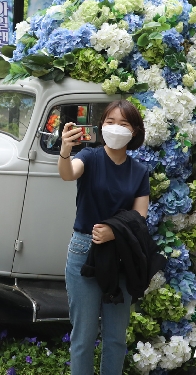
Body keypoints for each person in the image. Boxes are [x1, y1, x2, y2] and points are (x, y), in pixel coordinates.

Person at [58, 100, 150, 375]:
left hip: (121, 256)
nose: (115, 128)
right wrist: (65, 150)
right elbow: (68, 174)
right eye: (110, 121)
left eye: (123, 123)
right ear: (101, 126)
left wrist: (114, 231)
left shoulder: (139, 171)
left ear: (134, 131)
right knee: (83, 337)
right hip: (84, 251)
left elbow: (140, 217)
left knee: (115, 339)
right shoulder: (89, 156)